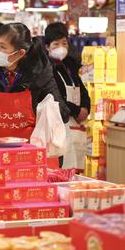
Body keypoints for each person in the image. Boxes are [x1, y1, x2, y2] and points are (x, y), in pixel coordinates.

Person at [44, 22, 90, 169]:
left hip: (77, 126)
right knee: (63, 170)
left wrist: (86, 108)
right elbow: (56, 96)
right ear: (47, 47)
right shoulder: (47, 70)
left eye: (64, 43)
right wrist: (77, 111)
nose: (61, 48)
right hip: (60, 126)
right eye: (55, 44)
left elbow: (83, 91)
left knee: (76, 171)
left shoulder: (70, 67)